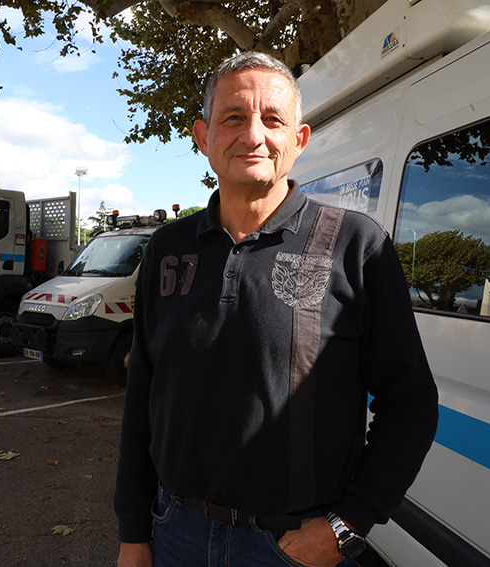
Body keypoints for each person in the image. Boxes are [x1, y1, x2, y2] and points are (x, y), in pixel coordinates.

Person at [114, 51, 439, 567]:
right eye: (233, 118)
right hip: (175, 531)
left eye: (272, 120)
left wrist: (348, 524)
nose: (253, 135)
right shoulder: (166, 249)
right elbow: (143, 397)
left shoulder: (357, 246)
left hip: (295, 549)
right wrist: (134, 531)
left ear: (299, 140)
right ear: (203, 137)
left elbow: (411, 403)